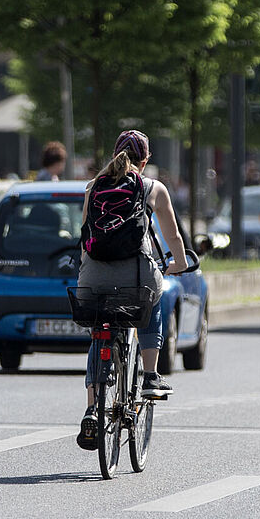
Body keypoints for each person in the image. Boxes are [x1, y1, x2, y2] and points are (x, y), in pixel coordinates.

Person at [75, 130, 187, 451]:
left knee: (100, 329)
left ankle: (92, 408)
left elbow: (85, 236)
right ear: (146, 159)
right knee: (155, 297)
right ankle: (150, 375)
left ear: (115, 154)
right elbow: (173, 236)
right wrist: (179, 263)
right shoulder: (153, 188)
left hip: (93, 277)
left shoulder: (93, 187)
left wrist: (87, 272)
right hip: (137, 276)